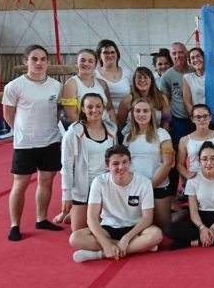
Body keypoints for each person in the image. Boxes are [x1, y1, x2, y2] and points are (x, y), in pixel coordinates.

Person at [2, 44, 64, 241]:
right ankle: (15, 225)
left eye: (43, 59)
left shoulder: (56, 86)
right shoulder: (14, 86)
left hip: (50, 141)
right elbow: (8, 114)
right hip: (25, 144)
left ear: (48, 62)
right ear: (25, 61)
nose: (39, 63)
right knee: (20, 184)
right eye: (34, 59)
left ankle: (41, 218)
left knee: (46, 180)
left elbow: (57, 112)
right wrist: (21, 132)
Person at [68, 145, 163, 263]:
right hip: (109, 227)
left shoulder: (144, 183)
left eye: (125, 162)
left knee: (156, 235)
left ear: (130, 163)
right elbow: (91, 218)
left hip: (135, 228)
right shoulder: (99, 182)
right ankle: (138, 247)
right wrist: (105, 243)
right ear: (107, 165)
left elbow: (147, 218)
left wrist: (127, 238)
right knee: (75, 238)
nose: (121, 167)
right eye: (115, 164)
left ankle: (100, 254)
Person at [58, 93, 117, 230]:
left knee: (104, 227)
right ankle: (75, 212)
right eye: (89, 107)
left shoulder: (112, 130)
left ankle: (76, 214)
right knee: (78, 232)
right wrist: (66, 195)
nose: (94, 110)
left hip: (105, 185)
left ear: (103, 108)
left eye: (98, 106)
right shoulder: (72, 134)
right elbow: (66, 166)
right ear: (83, 109)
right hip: (83, 187)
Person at [123, 99, 174, 229]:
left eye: (145, 111)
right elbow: (125, 164)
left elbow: (168, 163)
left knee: (164, 226)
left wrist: (149, 187)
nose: (141, 114)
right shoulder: (127, 137)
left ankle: (182, 213)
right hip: (135, 188)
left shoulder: (162, 134)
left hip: (157, 186)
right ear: (133, 114)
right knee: (139, 224)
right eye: (138, 111)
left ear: (151, 113)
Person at [160, 42, 194, 198]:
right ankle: (175, 193)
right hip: (179, 120)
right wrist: (166, 122)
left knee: (197, 154)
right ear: (171, 55)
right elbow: (165, 101)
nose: (178, 56)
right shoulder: (167, 76)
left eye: (180, 52)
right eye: (174, 53)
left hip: (198, 120)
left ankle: (195, 188)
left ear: (186, 53)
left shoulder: (195, 70)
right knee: (178, 156)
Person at [59, 48, 116, 126]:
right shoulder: (71, 84)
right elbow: (72, 116)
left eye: (90, 61)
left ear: (95, 65)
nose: (86, 63)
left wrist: (114, 127)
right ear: (76, 63)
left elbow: (110, 108)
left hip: (106, 126)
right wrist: (92, 130)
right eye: (82, 60)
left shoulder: (102, 83)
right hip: (83, 128)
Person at [176, 104, 214, 183]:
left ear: (210, 117)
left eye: (205, 116)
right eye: (198, 117)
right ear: (192, 119)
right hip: (195, 180)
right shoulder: (184, 140)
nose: (202, 119)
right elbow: (180, 164)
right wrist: (187, 174)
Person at [117, 66, 170, 136]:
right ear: (134, 80)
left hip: (155, 136)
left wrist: (162, 137)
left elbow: (166, 121)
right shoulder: (127, 100)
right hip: (131, 136)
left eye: (146, 77)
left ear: (151, 80)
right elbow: (119, 124)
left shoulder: (161, 98)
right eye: (139, 77)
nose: (142, 80)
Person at [94, 39, 132, 112]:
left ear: (117, 54)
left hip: (127, 116)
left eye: (112, 52)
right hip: (103, 116)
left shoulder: (128, 73)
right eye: (106, 53)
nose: (110, 55)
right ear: (99, 56)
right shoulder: (94, 75)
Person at [182, 47, 206, 116]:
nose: (196, 60)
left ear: (203, 57)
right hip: (198, 117)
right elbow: (187, 102)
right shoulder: (187, 78)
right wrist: (196, 117)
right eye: (192, 58)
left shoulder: (213, 75)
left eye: (198, 56)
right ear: (190, 62)